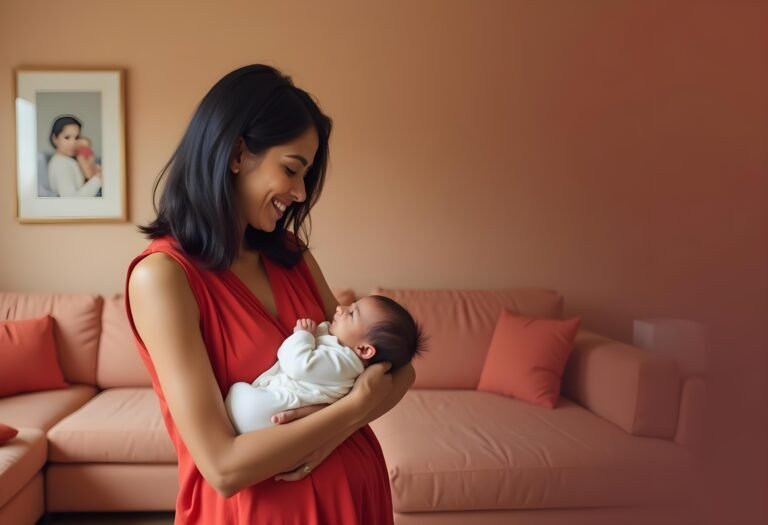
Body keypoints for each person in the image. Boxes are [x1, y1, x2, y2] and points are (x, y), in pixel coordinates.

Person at [124, 64, 415, 524]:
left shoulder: (290, 253)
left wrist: (339, 430)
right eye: (292, 169)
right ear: (238, 153)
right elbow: (222, 466)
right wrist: (355, 409)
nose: (300, 193)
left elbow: (400, 372)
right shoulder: (163, 277)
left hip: (355, 503)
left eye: (307, 175)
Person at [226, 295, 424, 434]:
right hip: (270, 411)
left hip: (266, 413)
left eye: (352, 313)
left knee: (236, 394)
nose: (340, 308)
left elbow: (297, 364)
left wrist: (303, 335)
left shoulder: (343, 364)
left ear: (364, 350)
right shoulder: (341, 353)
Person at [47, 115, 102, 197]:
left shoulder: (67, 160)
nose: (73, 143)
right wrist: (98, 179)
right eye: (67, 137)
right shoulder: (60, 164)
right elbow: (71, 201)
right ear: (55, 139)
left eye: (76, 137)